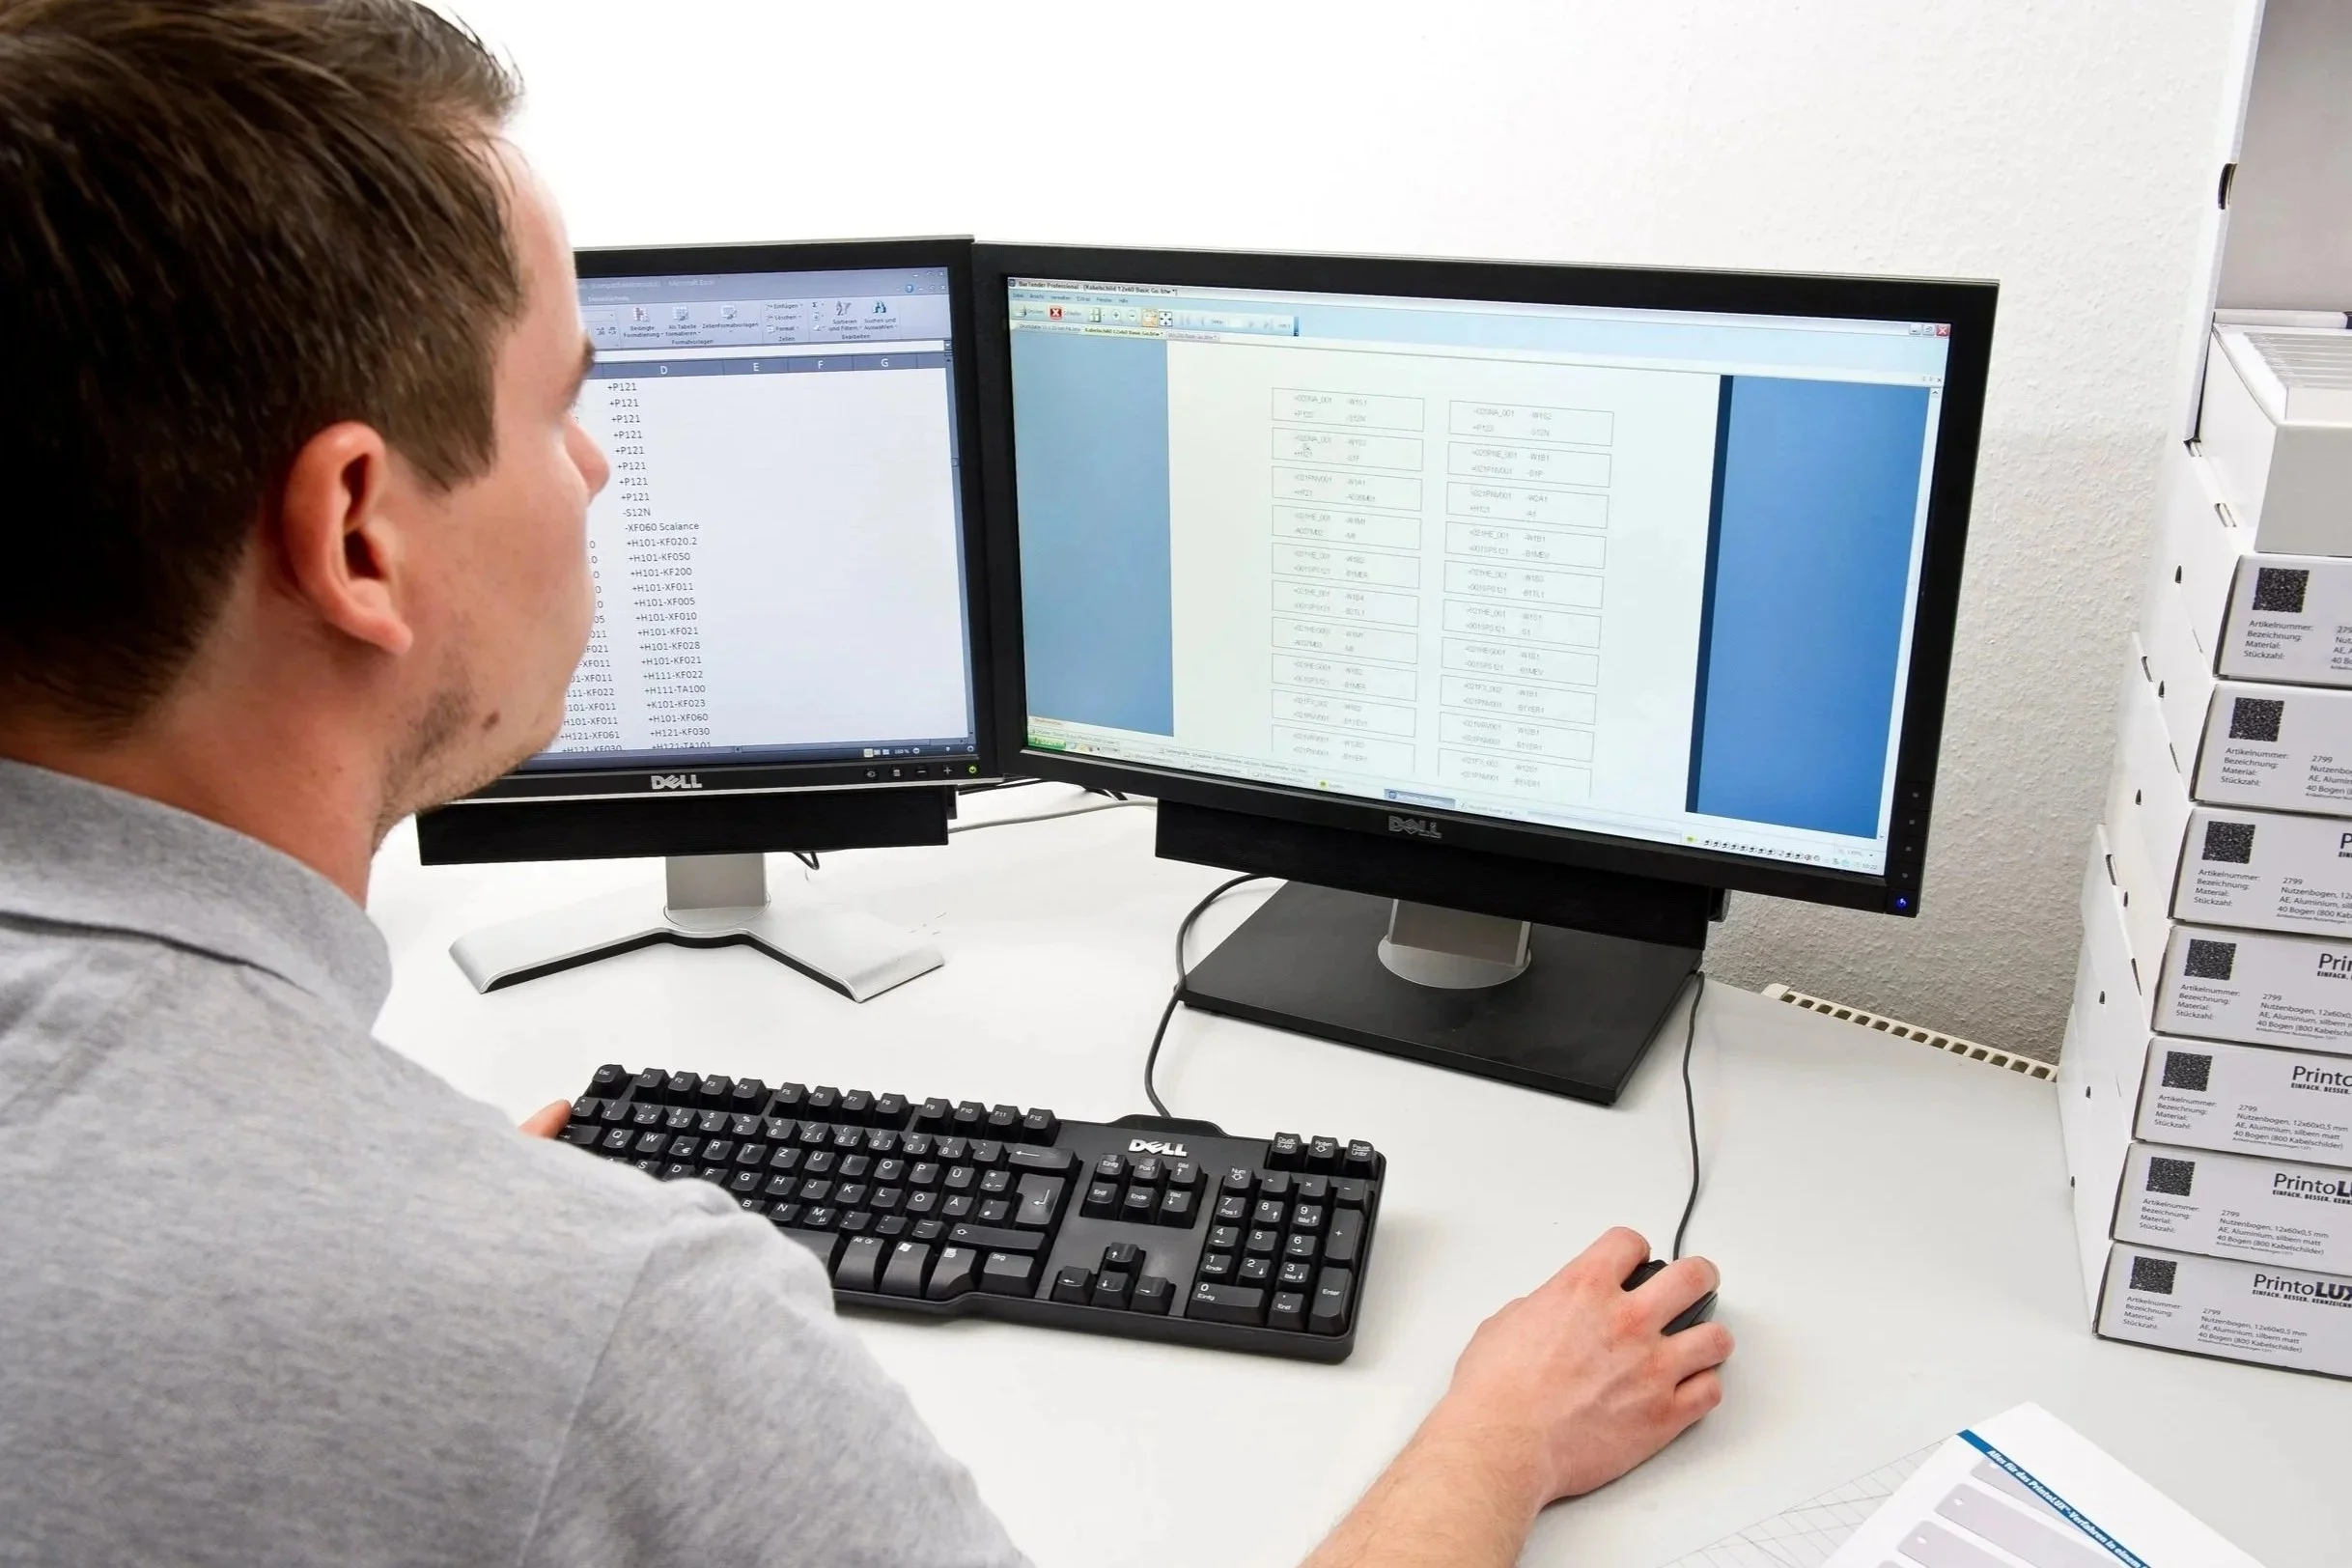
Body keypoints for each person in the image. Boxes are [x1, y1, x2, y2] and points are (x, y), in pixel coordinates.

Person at [0, 2, 1734, 1563]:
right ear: (359, 534)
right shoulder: (618, 1324)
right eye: (559, 403)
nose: (597, 466)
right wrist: (1498, 1442)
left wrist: (408, 1205)